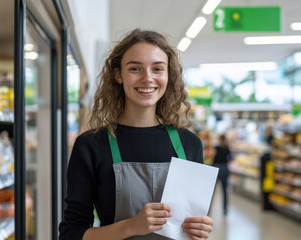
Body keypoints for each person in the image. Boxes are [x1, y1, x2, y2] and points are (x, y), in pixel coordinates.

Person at [59, 29, 213, 240]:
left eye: (158, 68)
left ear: (169, 75)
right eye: (135, 68)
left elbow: (189, 225)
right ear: (118, 75)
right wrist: (131, 226)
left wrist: (199, 230)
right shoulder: (92, 145)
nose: (147, 78)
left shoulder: (189, 144)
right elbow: (71, 234)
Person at [212, 134, 232, 215]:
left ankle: (208, 209)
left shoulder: (216, 148)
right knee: (224, 190)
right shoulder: (227, 149)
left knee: (212, 190)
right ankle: (225, 209)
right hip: (225, 168)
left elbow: (213, 158)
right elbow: (230, 158)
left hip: (216, 168)